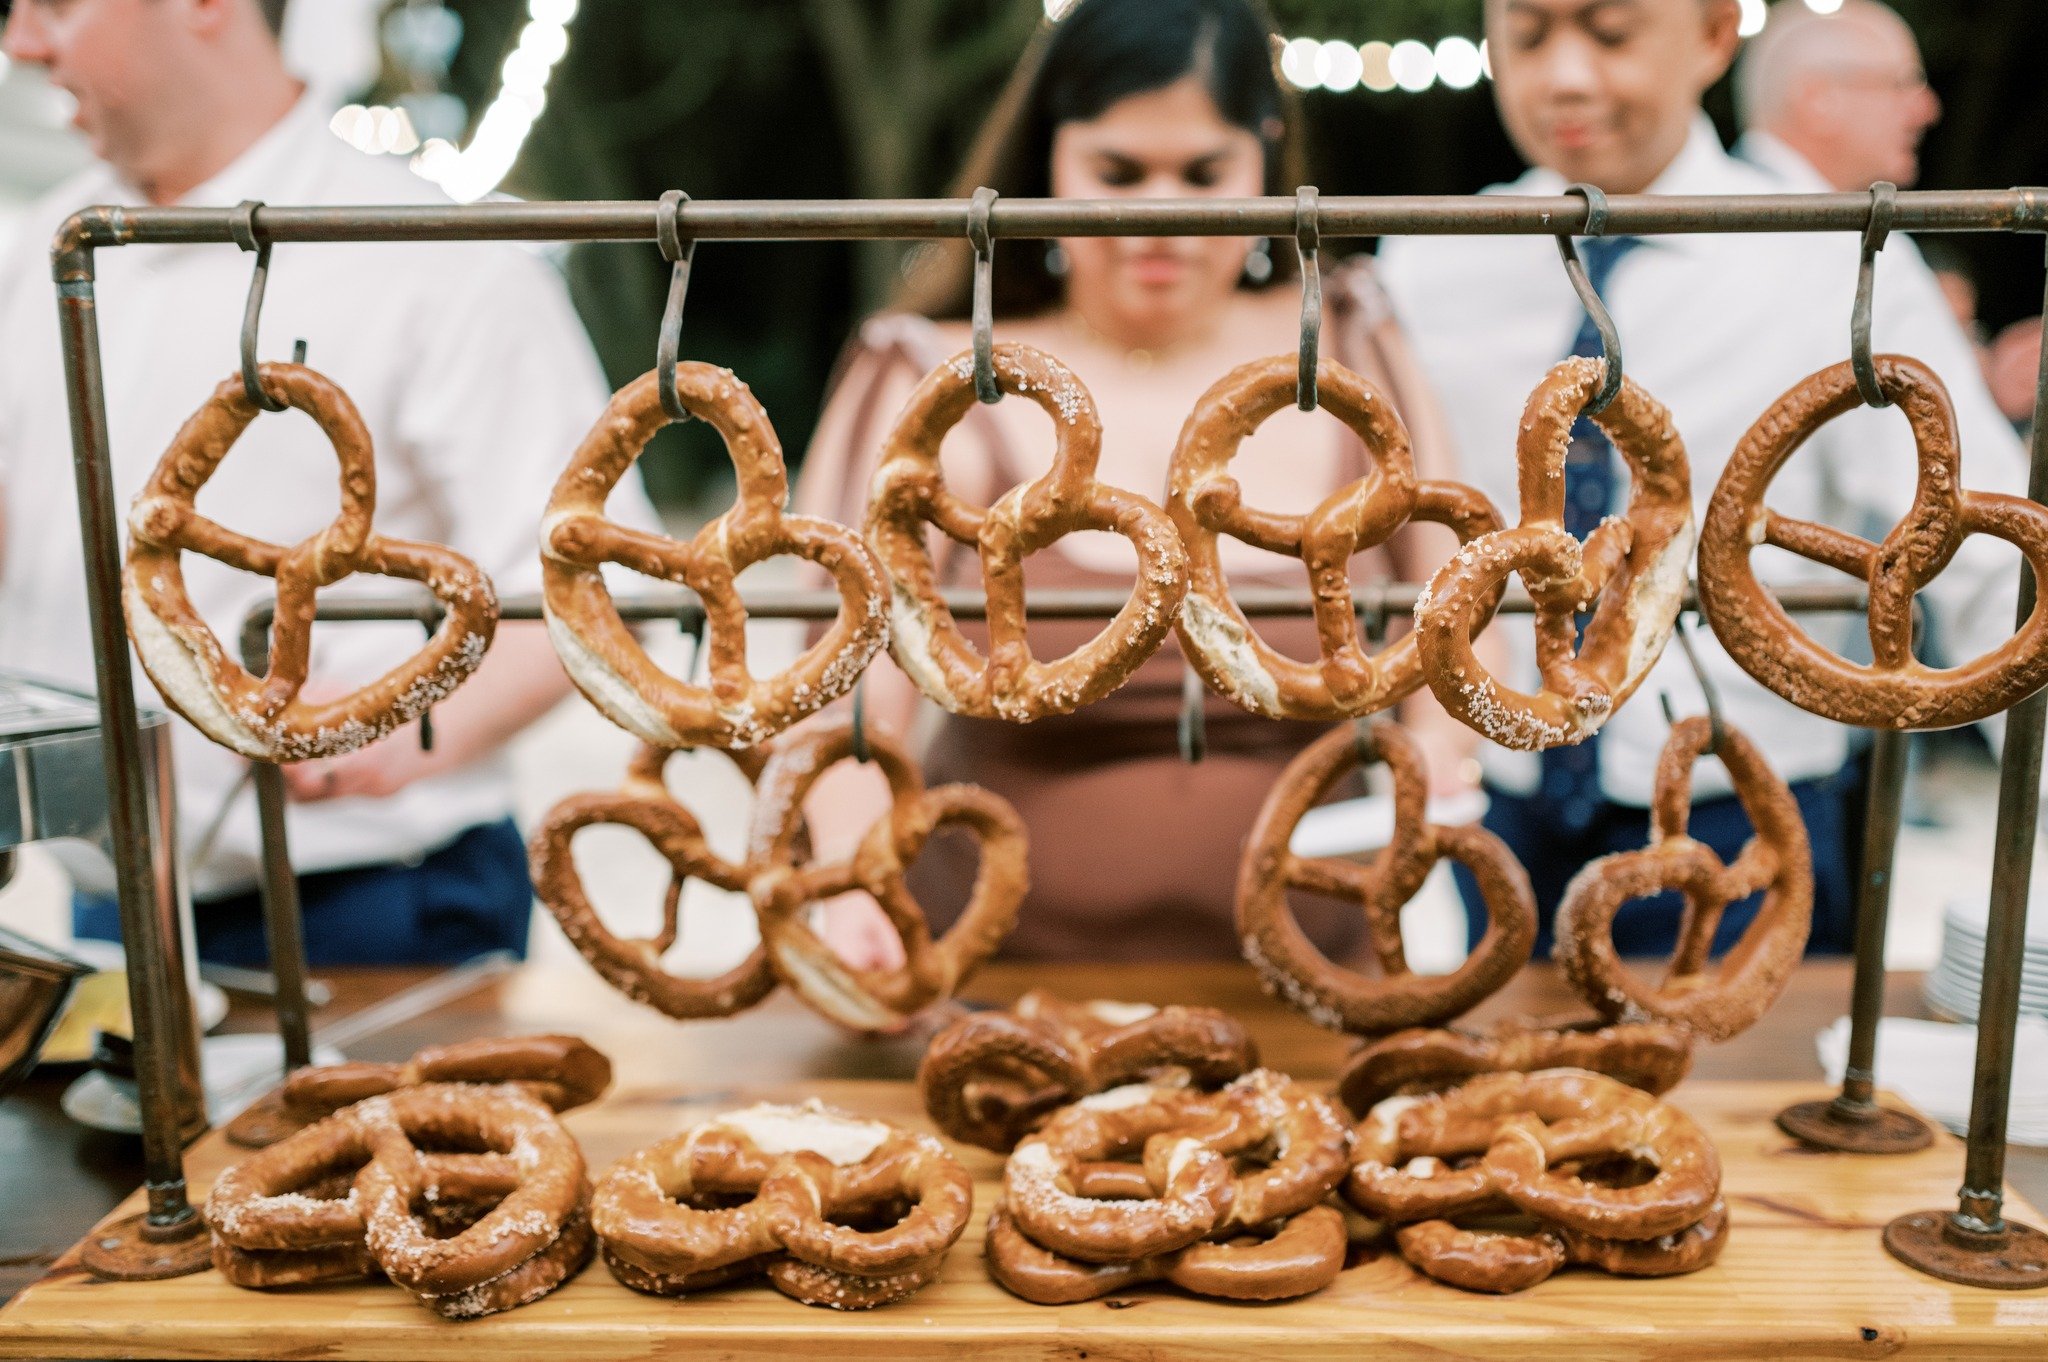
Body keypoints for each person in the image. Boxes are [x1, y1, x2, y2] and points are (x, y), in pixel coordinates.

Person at [793, 0, 1474, 965]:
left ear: (1266, 161)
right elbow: (841, 703)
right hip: (991, 983)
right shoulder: (933, 380)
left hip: (1321, 982)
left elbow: (1449, 639)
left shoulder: (1353, 344)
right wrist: (856, 876)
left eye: (1205, 175)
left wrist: (1442, 768)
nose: (1163, 217)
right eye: (1118, 175)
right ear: (1048, 165)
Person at [0, 0, 659, 965]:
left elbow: (602, 583)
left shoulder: (437, 258)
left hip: (381, 903)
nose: (21, 42)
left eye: (54, 5)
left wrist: (413, 727)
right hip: (117, 908)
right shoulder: (34, 255)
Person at [1377, 0, 2029, 956]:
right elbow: (1409, 529)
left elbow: (1983, 565)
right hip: (1505, 808)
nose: (1563, 75)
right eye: (1527, 35)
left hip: (1747, 811)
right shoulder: (1436, 264)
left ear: (1716, 37)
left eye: (1609, 34)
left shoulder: (1827, 259)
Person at [1733, 0, 1939, 192]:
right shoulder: (1733, 219)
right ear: (1817, 100)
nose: (1928, 110)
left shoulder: (1720, 209)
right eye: (1901, 84)